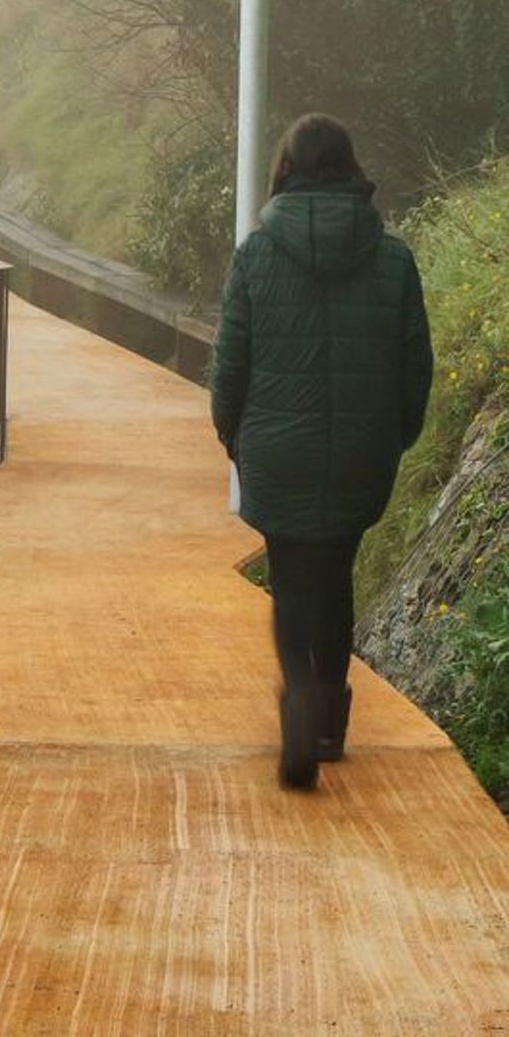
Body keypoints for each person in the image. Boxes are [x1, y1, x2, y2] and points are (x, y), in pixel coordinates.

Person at [209, 114, 433, 790]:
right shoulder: (393, 258)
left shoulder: (256, 253)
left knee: (292, 578)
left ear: (286, 169)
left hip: (277, 449)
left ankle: (301, 702)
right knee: (336, 573)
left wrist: (234, 435)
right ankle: (331, 726)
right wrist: (395, 435)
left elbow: (230, 365)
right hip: (363, 450)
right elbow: (414, 366)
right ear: (350, 168)